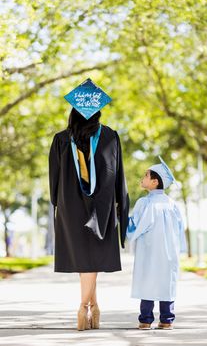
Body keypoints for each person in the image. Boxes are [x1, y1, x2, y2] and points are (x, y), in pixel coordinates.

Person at [49, 78, 129, 331]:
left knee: (85, 259)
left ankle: (89, 306)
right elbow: (119, 176)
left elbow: (53, 179)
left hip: (70, 206)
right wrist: (120, 206)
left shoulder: (61, 139)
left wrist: (58, 204)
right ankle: (86, 307)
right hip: (103, 208)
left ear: (73, 112)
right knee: (92, 258)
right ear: (98, 112)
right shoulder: (110, 136)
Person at [126, 156, 186, 330]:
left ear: (154, 182)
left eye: (146, 175)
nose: (142, 178)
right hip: (169, 252)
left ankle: (145, 319)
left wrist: (123, 221)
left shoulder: (144, 203)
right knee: (166, 282)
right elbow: (180, 229)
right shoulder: (172, 204)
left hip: (150, 250)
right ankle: (167, 320)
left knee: (148, 281)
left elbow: (135, 226)